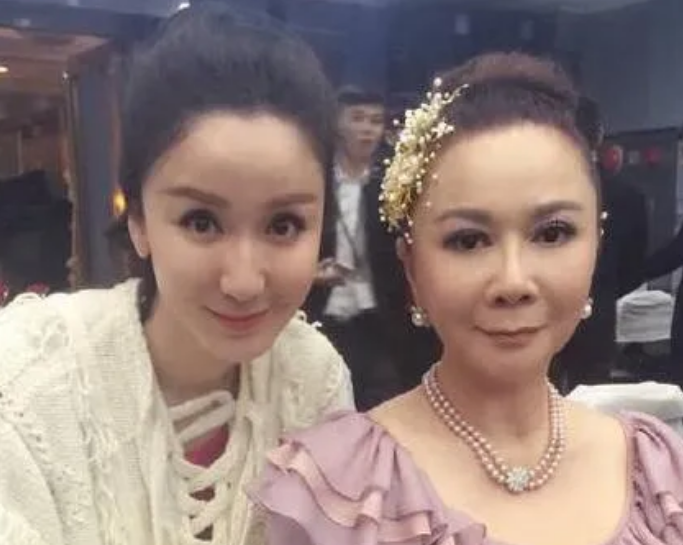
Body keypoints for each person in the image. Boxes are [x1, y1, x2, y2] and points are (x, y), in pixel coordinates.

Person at [253, 53, 683, 545]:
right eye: (469, 240)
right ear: (412, 266)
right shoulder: (343, 490)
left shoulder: (655, 472)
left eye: (553, 233)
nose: (513, 282)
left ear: (596, 247)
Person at [0, 5, 352, 545]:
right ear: (138, 220)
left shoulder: (314, 380)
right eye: (201, 222)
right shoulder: (25, 384)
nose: (243, 281)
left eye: (284, 225)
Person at [305, 87, 402, 409]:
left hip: (377, 314)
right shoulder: (313, 179)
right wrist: (309, 274)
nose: (367, 129)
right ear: (337, 122)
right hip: (322, 310)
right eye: (358, 118)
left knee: (381, 406)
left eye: (375, 121)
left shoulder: (392, 183)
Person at [552, 97, 649, 391]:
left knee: (536, 397)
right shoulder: (629, 195)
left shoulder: (538, 191)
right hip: (599, 311)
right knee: (592, 399)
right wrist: (604, 289)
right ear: (600, 135)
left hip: (544, 307)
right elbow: (634, 269)